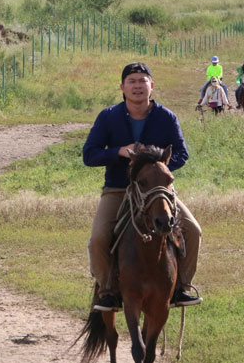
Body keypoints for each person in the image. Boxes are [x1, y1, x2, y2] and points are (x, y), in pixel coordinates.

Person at [82, 62, 203, 311]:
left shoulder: (166, 117)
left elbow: (182, 153)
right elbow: (90, 155)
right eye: (132, 81)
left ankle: (181, 287)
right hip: (118, 189)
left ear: (151, 85)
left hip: (156, 191)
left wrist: (158, 167)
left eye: (142, 80)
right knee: (98, 239)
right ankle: (107, 291)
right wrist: (119, 152)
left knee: (193, 230)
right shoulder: (108, 117)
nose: (138, 86)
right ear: (123, 87)